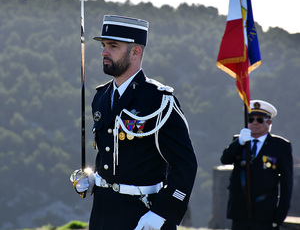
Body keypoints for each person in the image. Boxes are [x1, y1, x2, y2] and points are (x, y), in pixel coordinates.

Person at [70, 15, 198, 230]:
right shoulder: (101, 97)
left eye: (113, 46)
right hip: (102, 213)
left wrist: (162, 213)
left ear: (136, 52)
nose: (104, 52)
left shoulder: (159, 100)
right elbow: (109, 150)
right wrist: (96, 177)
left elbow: (185, 165)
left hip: (143, 215)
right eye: (103, 45)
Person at [221, 100, 293, 230]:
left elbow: (286, 184)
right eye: (250, 119)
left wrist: (280, 216)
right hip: (240, 213)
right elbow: (225, 159)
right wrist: (239, 142)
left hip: (265, 213)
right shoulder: (240, 141)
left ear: (269, 122)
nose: (254, 123)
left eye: (260, 120)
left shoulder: (280, 146)